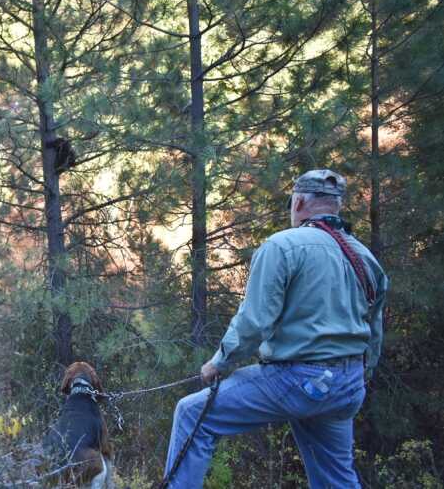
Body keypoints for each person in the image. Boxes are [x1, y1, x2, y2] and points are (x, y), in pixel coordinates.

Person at [162, 169, 388, 489]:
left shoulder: (283, 246)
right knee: (335, 478)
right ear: (336, 206)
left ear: (297, 203)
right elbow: (374, 330)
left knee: (191, 414)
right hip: (347, 385)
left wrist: (219, 362)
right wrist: (360, 374)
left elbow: (254, 320)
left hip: (297, 380)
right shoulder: (365, 258)